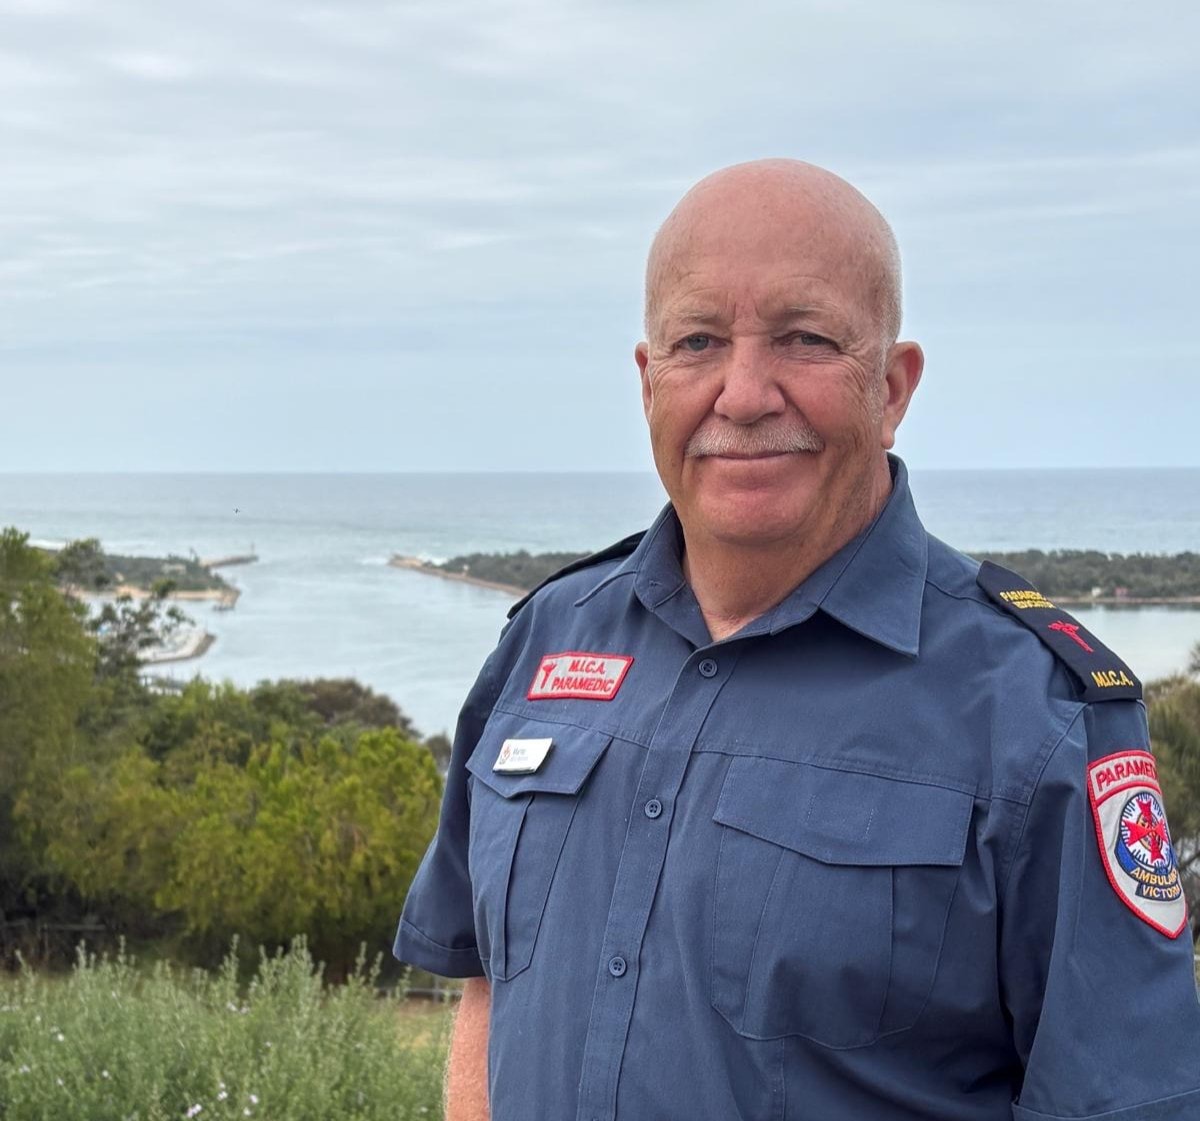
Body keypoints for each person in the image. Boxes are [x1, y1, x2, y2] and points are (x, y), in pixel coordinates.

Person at [393, 159, 1200, 1120]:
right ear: (649, 381)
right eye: (697, 341)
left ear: (893, 386)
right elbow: (486, 979)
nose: (742, 394)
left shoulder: (1038, 713)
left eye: (803, 338)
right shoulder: (543, 641)